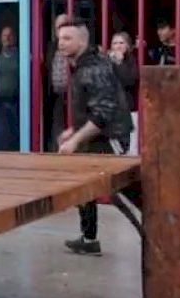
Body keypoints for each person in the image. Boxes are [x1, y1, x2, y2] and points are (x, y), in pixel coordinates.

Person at [54, 18, 137, 256]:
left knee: (122, 190)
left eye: (68, 38)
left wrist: (76, 139)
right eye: (60, 38)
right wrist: (75, 132)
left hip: (110, 136)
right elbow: (94, 108)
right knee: (84, 186)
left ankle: (158, 232)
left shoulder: (93, 68)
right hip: (97, 136)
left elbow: (104, 112)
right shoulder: (83, 65)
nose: (61, 43)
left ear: (82, 40)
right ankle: (89, 239)